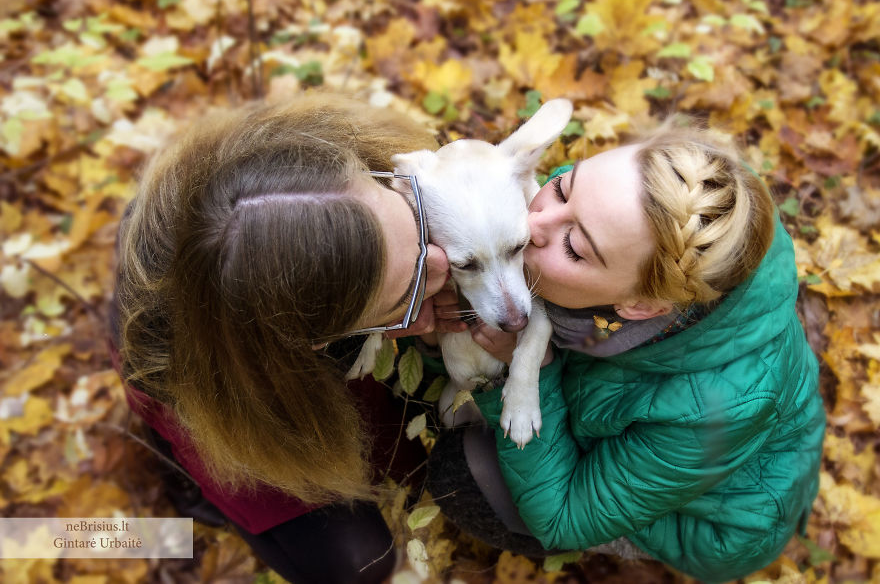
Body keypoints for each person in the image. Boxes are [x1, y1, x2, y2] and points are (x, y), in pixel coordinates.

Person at [425, 121, 826, 583]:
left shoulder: (714, 407)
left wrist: (523, 370)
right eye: (561, 188)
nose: (531, 222)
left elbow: (563, 519)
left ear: (638, 306)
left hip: (716, 522)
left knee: (463, 478)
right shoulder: (609, 213)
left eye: (574, 247)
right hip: (674, 428)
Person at [110, 93, 462, 584]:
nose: (445, 263)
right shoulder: (228, 383)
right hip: (227, 393)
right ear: (322, 341)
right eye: (412, 284)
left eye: (412, 213)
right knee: (358, 561)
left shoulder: (296, 172)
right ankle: (188, 484)